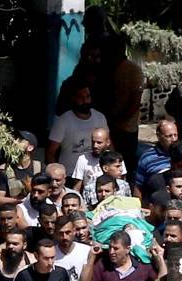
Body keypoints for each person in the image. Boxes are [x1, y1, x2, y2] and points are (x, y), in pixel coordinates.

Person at [46, 76, 108, 177]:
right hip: (70, 175)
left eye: (87, 97)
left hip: (96, 175)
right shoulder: (63, 121)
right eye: (81, 98)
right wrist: (55, 175)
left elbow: (109, 145)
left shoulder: (100, 118)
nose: (85, 101)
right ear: (73, 98)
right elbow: (50, 152)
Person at [101, 35, 144, 181]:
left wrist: (119, 119)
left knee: (126, 165)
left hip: (126, 127)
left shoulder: (133, 70)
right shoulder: (107, 69)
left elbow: (135, 101)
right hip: (109, 124)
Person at [0, 130, 42, 207]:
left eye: (20, 140)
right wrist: (21, 201)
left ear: (30, 148)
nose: (15, 142)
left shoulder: (40, 168)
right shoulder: (4, 170)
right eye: (15, 139)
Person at [72, 128, 127, 192]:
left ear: (108, 142)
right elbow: (77, 187)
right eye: (93, 142)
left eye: (99, 143)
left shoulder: (115, 158)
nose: (95, 145)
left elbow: (123, 183)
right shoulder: (83, 159)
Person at [134, 120, 180, 198]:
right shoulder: (147, 158)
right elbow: (138, 187)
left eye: (175, 135)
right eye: (169, 136)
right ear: (159, 136)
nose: (173, 139)